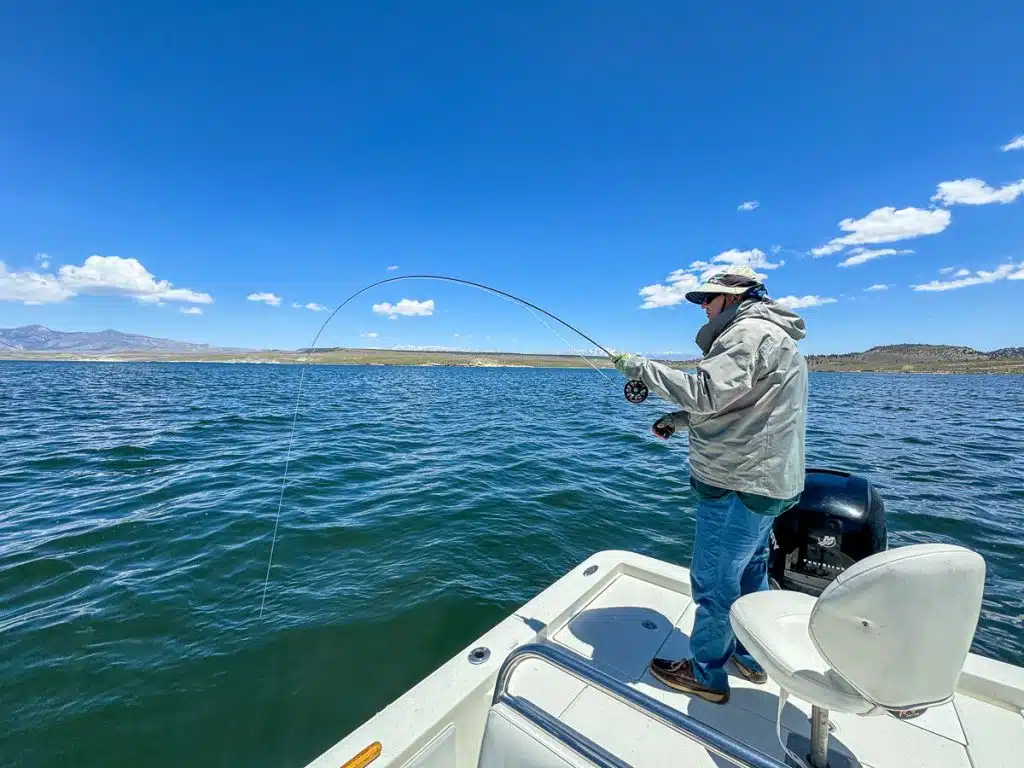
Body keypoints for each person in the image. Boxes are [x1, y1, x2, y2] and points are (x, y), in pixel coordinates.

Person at [611, 265, 808, 704]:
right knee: (752, 572)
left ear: (735, 298)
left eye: (709, 298)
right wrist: (679, 421)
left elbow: (704, 392)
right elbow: (740, 405)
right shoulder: (776, 335)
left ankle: (706, 675)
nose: (703, 306)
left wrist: (640, 368)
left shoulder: (747, 333)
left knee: (716, 582)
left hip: (736, 482)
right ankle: (753, 656)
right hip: (768, 483)